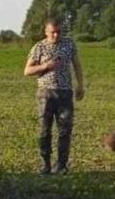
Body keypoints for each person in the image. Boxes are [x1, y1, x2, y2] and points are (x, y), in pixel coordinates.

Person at [23, 18, 85, 175]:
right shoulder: (39, 47)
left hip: (65, 93)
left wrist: (80, 85)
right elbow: (27, 71)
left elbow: (77, 65)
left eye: (58, 32)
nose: (56, 35)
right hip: (46, 93)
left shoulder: (69, 44)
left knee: (65, 130)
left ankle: (62, 165)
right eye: (52, 32)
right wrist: (45, 66)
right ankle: (45, 164)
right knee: (45, 130)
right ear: (46, 32)